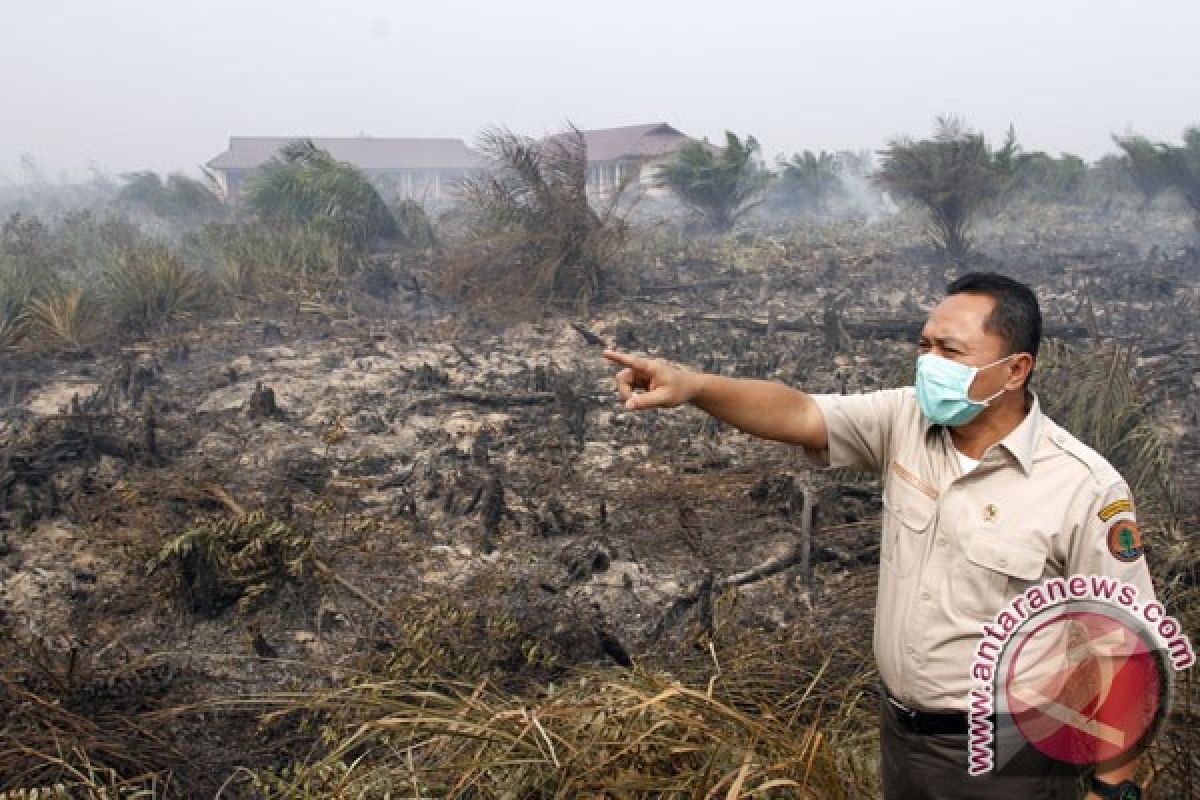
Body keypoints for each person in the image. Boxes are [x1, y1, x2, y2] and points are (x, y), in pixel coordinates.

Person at [604, 273, 1159, 800]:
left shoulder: (1082, 487)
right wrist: (694, 386)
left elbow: (1126, 653)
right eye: (924, 346)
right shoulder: (906, 421)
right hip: (902, 740)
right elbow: (798, 411)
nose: (928, 364)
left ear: (1015, 370)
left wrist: (1113, 788)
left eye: (951, 351)